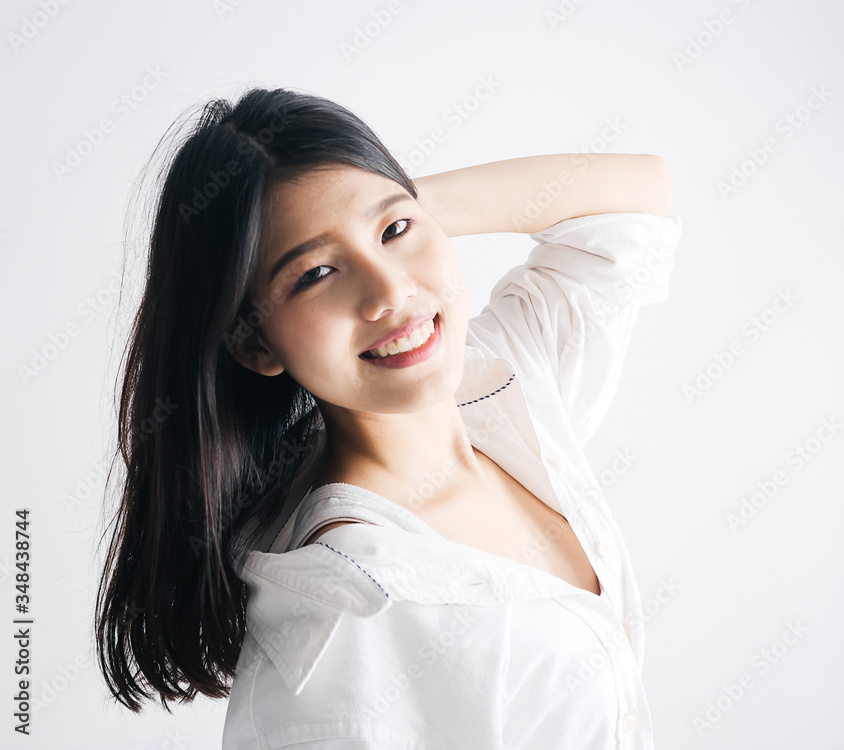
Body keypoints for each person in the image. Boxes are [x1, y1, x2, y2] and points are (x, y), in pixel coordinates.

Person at [94, 87, 682, 748]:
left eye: (396, 233)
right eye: (316, 273)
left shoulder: (507, 380)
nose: (390, 293)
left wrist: (388, 198)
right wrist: (380, 211)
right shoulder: (341, 609)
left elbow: (636, 197)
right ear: (254, 342)